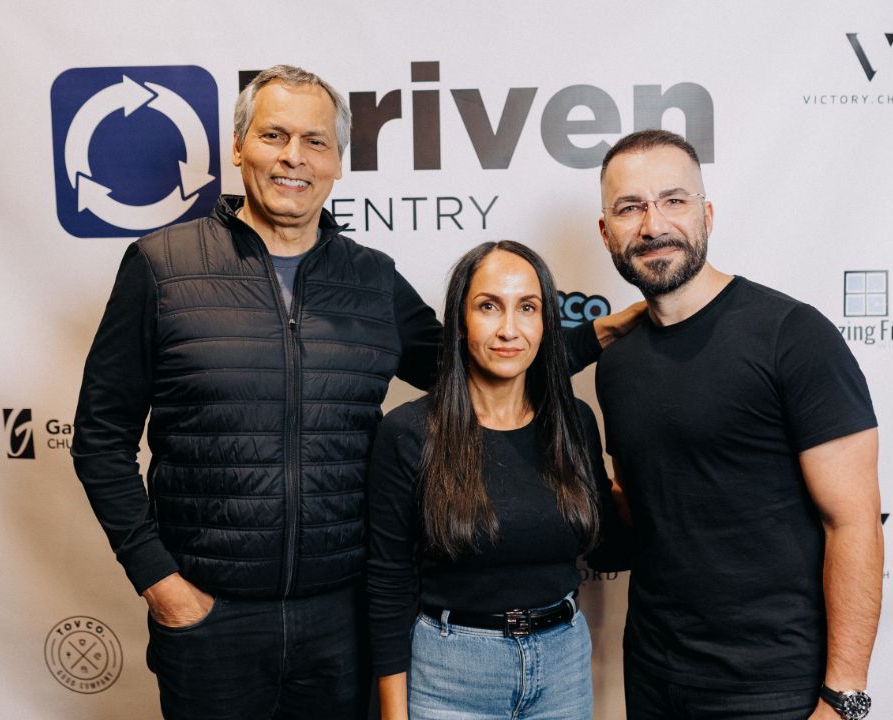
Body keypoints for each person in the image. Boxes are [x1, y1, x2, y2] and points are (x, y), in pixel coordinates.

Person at [71, 65, 638, 720]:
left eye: (315, 141)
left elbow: (479, 359)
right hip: (210, 620)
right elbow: (100, 440)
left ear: (338, 161)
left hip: (342, 623)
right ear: (238, 147)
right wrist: (160, 583)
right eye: (274, 135)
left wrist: (599, 333)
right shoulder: (162, 268)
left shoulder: (371, 280)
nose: (294, 157)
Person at [592, 130, 883, 720]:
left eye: (673, 200)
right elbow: (644, 508)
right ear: (606, 232)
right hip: (653, 676)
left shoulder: (793, 336)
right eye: (630, 208)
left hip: (773, 687)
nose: (652, 225)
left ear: (707, 214)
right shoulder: (617, 365)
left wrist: (843, 698)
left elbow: (854, 523)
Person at [366, 241, 623, 720]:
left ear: (546, 323)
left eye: (527, 308)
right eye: (488, 306)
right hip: (449, 676)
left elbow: (609, 550)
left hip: (563, 668)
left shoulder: (574, 422)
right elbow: (387, 582)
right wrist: (394, 713)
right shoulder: (408, 432)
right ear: (461, 322)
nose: (509, 329)